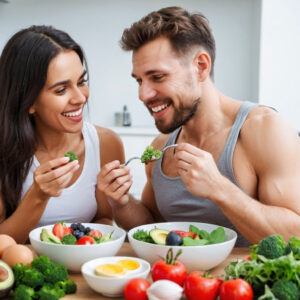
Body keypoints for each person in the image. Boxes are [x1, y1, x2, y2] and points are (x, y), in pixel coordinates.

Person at [98, 6, 300, 246]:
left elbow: (295, 235)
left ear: (201, 66)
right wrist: (122, 203)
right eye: (139, 80)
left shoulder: (265, 130)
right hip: (175, 282)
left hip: (246, 282)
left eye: (158, 77)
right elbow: (154, 226)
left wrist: (220, 189)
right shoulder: (161, 147)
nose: (143, 94)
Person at [0, 25, 125, 243]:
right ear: (28, 102)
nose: (80, 98)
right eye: (61, 89)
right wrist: (39, 195)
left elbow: (103, 218)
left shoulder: (106, 143)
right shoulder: (4, 149)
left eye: (81, 82)